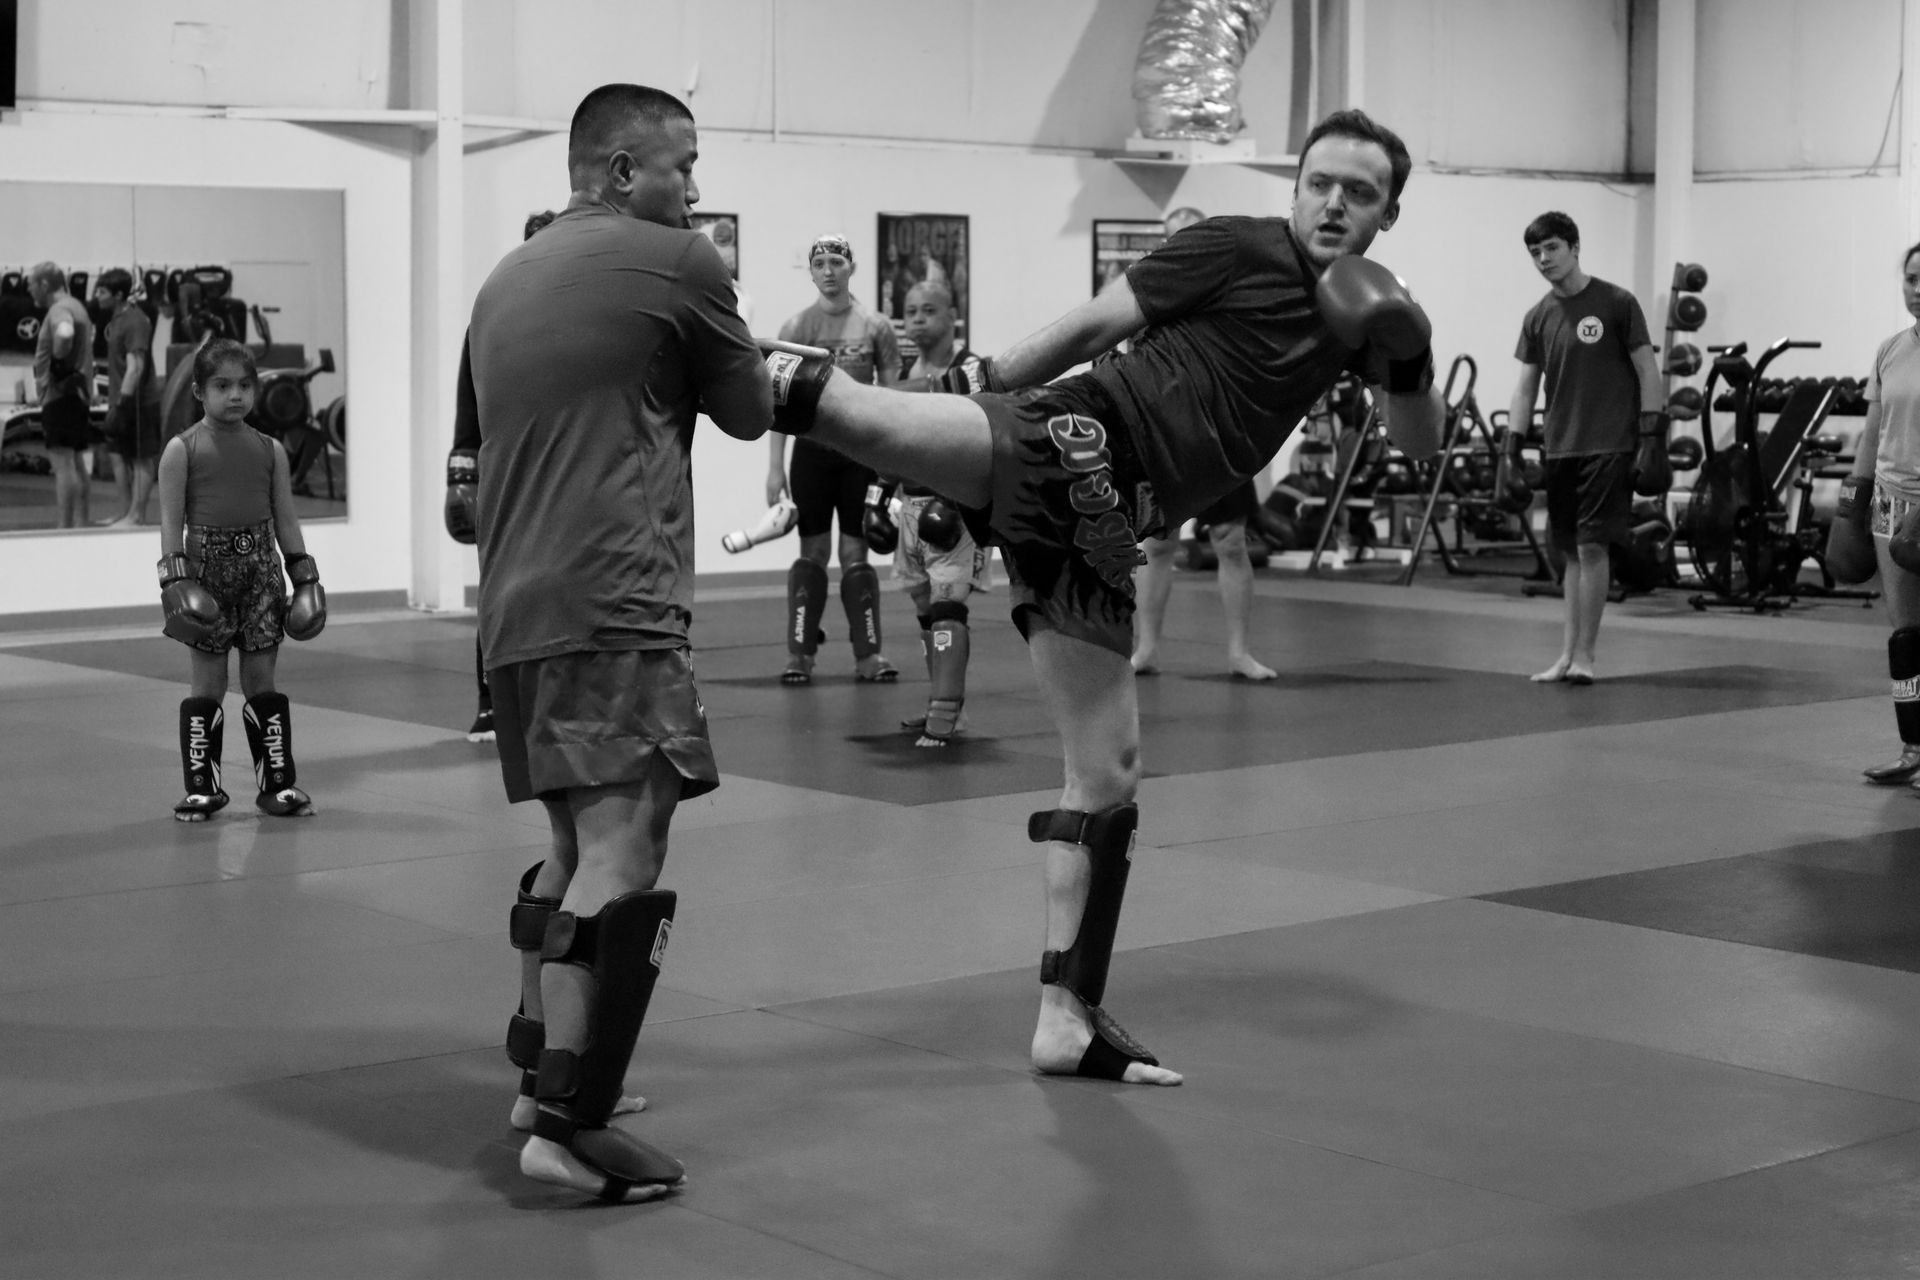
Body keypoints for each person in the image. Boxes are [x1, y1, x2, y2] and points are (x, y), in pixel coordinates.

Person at [759, 108, 1444, 1086]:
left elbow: (1418, 445)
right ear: (1294, 185)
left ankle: (1065, 1018)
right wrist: (984, 377)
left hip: (1110, 522)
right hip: (1083, 443)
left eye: (1360, 191)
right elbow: (1094, 325)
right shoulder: (1230, 247)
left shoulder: (1364, 312)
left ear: (1389, 211)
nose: (1334, 202)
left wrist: (1405, 347)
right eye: (1319, 181)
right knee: (870, 418)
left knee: (1110, 772)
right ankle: (716, 358)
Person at [464, 83, 772, 1203]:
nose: (695, 190)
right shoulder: (682, 263)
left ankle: (537, 1067)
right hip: (614, 598)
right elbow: (747, 411)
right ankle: (567, 1119)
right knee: (625, 849)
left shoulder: (505, 279)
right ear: (618, 169)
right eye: (681, 165)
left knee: (570, 839)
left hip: (514, 609)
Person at [154, 339, 326, 822]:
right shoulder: (180, 450)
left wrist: (304, 577)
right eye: (222, 385)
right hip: (206, 573)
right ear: (198, 391)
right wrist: (175, 581)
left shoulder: (270, 450)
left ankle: (278, 785)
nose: (236, 395)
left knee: (260, 680)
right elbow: (171, 527)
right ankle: (202, 789)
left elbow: (286, 518)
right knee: (207, 682)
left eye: (245, 385)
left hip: (262, 573)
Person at [1509, 212, 1666, 685]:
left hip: (1609, 444)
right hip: (1559, 448)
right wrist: (1510, 449)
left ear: (1575, 247)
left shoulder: (1617, 303)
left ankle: (1587, 656)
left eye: (1552, 249)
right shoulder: (1537, 316)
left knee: (1593, 546)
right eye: (1536, 253)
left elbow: (1647, 372)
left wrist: (1653, 437)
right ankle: (1565, 654)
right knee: (1570, 554)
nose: (1543, 260)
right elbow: (1525, 389)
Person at [765, 233, 902, 685]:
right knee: (814, 552)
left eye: (835, 263)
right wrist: (774, 468)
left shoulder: (876, 326)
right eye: (819, 263)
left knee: (855, 552)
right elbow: (776, 404)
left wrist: (894, 461)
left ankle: (869, 656)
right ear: (811, 271)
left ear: (851, 268)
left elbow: (892, 398)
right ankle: (799, 655)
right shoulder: (795, 328)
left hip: (860, 454)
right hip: (811, 454)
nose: (827, 271)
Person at [447, 209, 559, 744]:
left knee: (562, 586)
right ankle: (491, 702)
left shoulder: (578, 317)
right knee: (500, 588)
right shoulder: (488, 317)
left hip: (562, 468)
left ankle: (554, 699)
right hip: (502, 469)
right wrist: (460, 470)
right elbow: (467, 401)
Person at [889, 279, 994, 745]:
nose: (916, 319)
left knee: (949, 607)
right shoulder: (905, 369)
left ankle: (945, 710)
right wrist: (878, 495)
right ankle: (942, 701)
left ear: (952, 315)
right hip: (912, 507)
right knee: (926, 611)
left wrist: (957, 496)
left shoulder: (972, 370)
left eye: (927, 310)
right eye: (910, 311)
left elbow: (990, 436)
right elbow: (891, 436)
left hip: (954, 510)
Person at [1849, 240, 1920, 786]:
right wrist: (1852, 496)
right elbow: (1873, 430)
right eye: (1911, 279)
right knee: (1906, 637)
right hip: (1890, 504)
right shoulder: (1891, 349)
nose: (1917, 290)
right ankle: (1913, 747)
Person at [1130, 480, 1276, 680]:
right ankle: (1146, 651)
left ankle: (1240, 654)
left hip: (1221, 452)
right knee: (1157, 544)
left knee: (1230, 542)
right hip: (1168, 452)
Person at [28, 263, 95, 528]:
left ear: (44, 284)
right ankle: (81, 524)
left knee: (63, 463)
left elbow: (64, 332)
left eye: (32, 284)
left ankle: (64, 528)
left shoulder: (60, 309)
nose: (30, 290)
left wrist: (58, 365)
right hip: (76, 396)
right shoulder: (77, 305)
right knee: (76, 462)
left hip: (60, 397)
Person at [95, 269, 163, 527]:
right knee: (117, 455)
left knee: (141, 457)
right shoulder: (117, 319)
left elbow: (136, 367)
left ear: (119, 295)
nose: (97, 297)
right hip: (119, 398)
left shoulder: (135, 321)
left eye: (102, 292)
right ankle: (124, 511)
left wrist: (122, 404)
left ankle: (137, 516)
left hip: (137, 401)